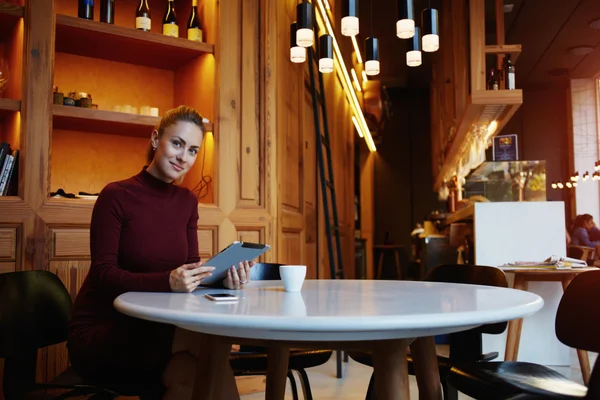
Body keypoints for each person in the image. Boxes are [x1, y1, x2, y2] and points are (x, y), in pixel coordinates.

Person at [67, 105, 250, 399]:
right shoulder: (116, 195)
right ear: (155, 139)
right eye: (177, 143)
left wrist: (220, 278)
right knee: (208, 345)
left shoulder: (187, 202)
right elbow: (104, 275)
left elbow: (189, 270)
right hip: (105, 331)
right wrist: (167, 282)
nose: (183, 157)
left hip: (160, 328)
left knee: (193, 371)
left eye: (192, 150)